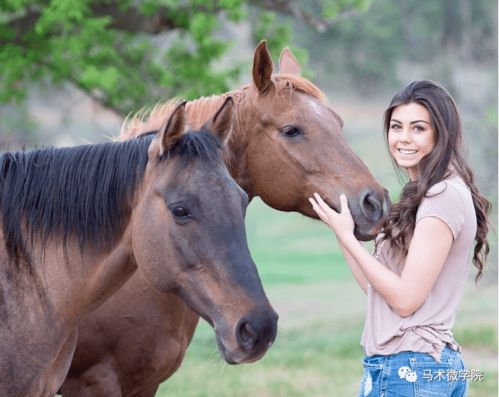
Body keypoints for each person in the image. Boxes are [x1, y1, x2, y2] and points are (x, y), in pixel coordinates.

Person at [309, 80, 491, 397]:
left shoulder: (442, 195)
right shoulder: (427, 193)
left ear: (441, 134)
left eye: (418, 128)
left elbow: (406, 301)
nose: (403, 138)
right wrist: (342, 231)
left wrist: (347, 238)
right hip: (414, 368)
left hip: (411, 369)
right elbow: (376, 289)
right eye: (396, 127)